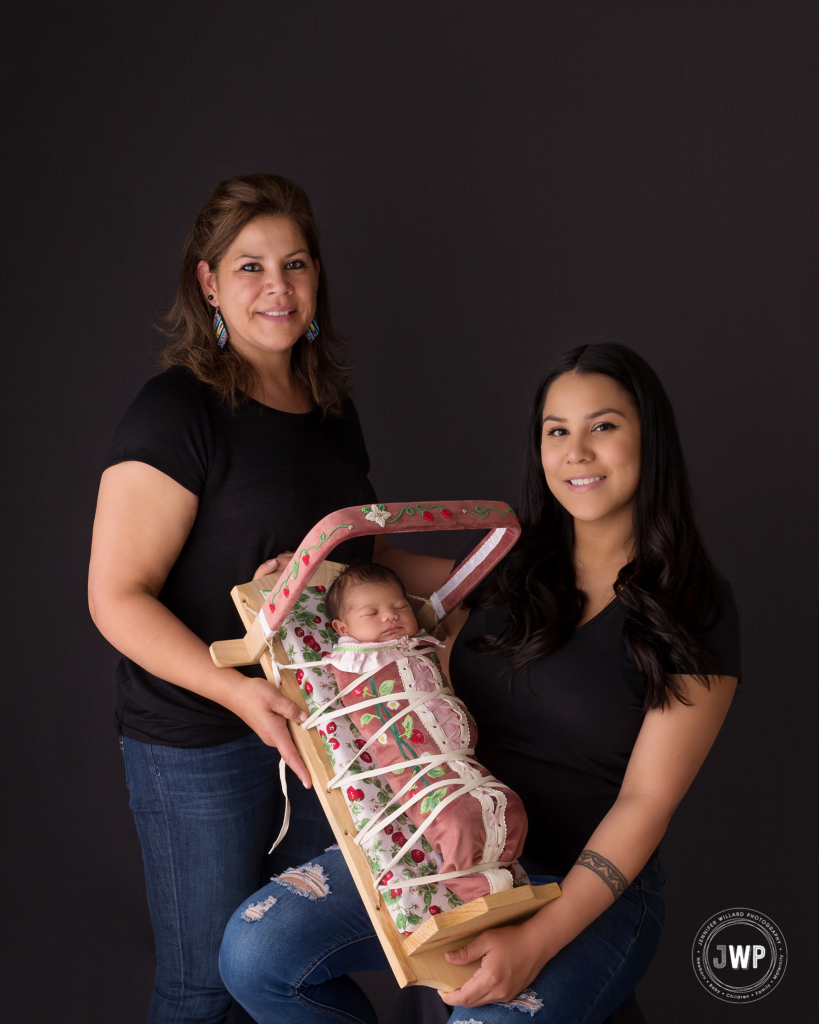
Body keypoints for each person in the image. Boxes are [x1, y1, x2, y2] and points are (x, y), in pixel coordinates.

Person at [218, 343, 740, 1024]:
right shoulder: (509, 566)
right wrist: (305, 574)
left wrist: (536, 940)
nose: (575, 451)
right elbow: (378, 574)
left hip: (585, 885)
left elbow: (645, 801)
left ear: (650, 440)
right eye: (557, 431)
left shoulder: (697, 609)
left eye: (602, 426)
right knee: (255, 954)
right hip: (449, 855)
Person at [88, 174, 380, 1024]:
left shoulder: (331, 411)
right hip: (202, 740)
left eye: (294, 263)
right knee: (205, 987)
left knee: (295, 967)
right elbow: (115, 597)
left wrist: (496, 564)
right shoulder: (177, 411)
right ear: (209, 284)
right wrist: (235, 691)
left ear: (317, 278)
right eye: (249, 267)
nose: (277, 287)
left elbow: (359, 557)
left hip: (321, 726)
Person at [321, 562, 527, 904]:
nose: (390, 616)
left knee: (510, 804)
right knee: (456, 818)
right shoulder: (352, 660)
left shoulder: (419, 647)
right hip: (420, 769)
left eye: (400, 607)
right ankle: (467, 884)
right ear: (343, 629)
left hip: (464, 764)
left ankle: (498, 868)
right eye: (372, 612)